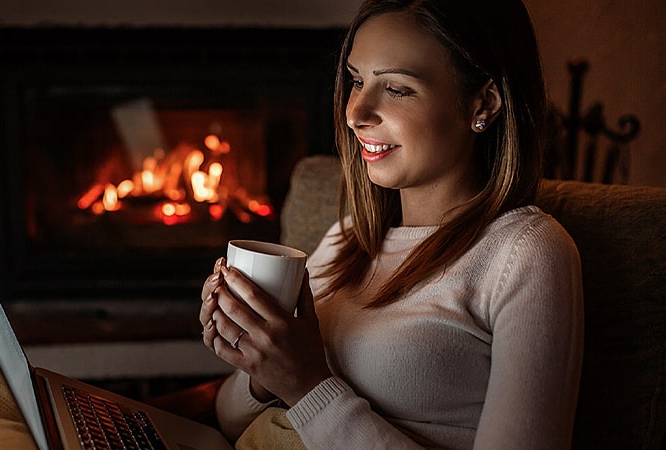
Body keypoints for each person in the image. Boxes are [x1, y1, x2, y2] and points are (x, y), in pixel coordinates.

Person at [199, 0, 584, 448]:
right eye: (357, 81)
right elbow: (229, 422)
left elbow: (304, 394)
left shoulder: (525, 253)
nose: (354, 113)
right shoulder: (348, 237)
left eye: (397, 89)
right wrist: (259, 362)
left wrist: (307, 386)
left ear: (485, 102)